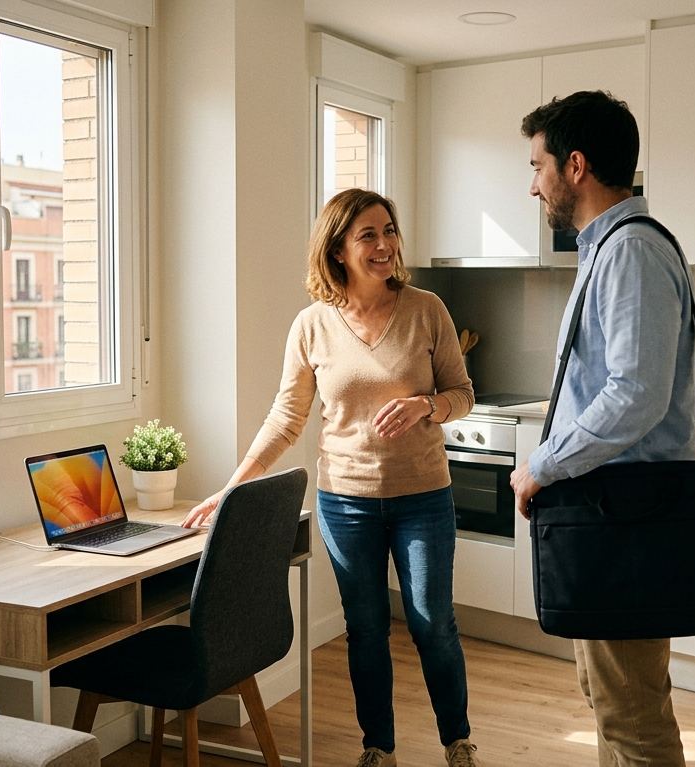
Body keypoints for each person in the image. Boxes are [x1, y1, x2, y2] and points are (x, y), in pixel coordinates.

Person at [182, 189, 481, 767]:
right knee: (366, 629)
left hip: (423, 496)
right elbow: (286, 418)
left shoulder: (427, 310)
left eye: (389, 231)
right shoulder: (311, 325)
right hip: (346, 502)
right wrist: (231, 488)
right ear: (338, 248)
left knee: (432, 624)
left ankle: (457, 741)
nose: (384, 244)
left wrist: (427, 406)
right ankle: (378, 748)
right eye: (368, 234)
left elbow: (463, 394)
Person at [509, 91, 695, 767]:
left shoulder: (629, 252)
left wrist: (542, 465)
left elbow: (635, 394)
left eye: (539, 167)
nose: (534, 186)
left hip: (627, 522)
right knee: (611, 697)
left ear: (576, 165)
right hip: (614, 516)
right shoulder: (609, 248)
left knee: (632, 715)